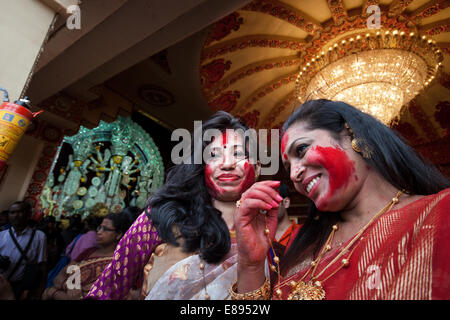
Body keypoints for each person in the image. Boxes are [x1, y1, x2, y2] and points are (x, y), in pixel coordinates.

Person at [233, 99, 450, 300]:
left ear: (351, 134)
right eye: (288, 166)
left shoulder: (440, 213)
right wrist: (250, 265)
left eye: (301, 149)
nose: (293, 175)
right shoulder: (305, 248)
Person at [85, 111, 268, 300]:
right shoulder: (162, 218)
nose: (227, 164)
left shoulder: (266, 231)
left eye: (238, 154)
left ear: (258, 166)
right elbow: (106, 290)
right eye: (214, 155)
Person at [41, 211, 132, 300]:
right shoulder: (88, 252)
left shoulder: (119, 262)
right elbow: (59, 277)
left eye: (105, 229)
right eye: (99, 227)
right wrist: (70, 285)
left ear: (118, 234)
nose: (99, 232)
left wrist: (53, 292)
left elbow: (92, 295)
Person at [0, 201, 47, 300]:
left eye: (20, 212)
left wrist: (39, 291)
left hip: (20, 287)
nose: (16, 215)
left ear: (29, 215)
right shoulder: (2, 235)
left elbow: (42, 266)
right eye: (12, 212)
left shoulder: (39, 237)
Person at [268, 183, 300, 268]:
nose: (268, 207)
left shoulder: (301, 233)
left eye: (273, 201)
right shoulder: (262, 236)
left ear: (286, 202)